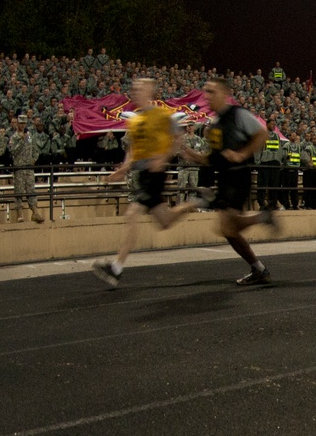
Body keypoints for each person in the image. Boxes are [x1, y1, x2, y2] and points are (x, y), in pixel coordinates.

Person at [92, 78, 212, 287]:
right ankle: (198, 201)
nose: (135, 91)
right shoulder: (135, 120)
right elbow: (133, 150)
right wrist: (123, 168)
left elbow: (178, 138)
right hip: (142, 175)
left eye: (140, 88)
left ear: (150, 92)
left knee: (132, 213)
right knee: (165, 221)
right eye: (134, 89)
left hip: (154, 174)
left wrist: (164, 158)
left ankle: (117, 267)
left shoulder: (162, 115)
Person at [186, 76, 278, 285]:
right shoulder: (216, 123)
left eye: (212, 92)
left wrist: (241, 154)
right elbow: (214, 158)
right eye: (205, 92)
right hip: (225, 177)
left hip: (238, 175)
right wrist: (190, 154)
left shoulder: (239, 114)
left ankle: (262, 221)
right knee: (229, 231)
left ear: (225, 94)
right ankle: (258, 267)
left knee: (227, 228)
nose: (207, 96)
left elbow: (262, 135)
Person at [8, 116, 45, 222]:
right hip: (19, 168)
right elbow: (13, 152)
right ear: (17, 124)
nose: (22, 125)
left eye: (24, 123)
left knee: (31, 190)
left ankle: (35, 212)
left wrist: (34, 159)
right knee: (19, 191)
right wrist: (21, 141)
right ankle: (20, 214)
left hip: (29, 167)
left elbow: (35, 149)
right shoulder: (14, 138)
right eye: (20, 123)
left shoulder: (30, 136)